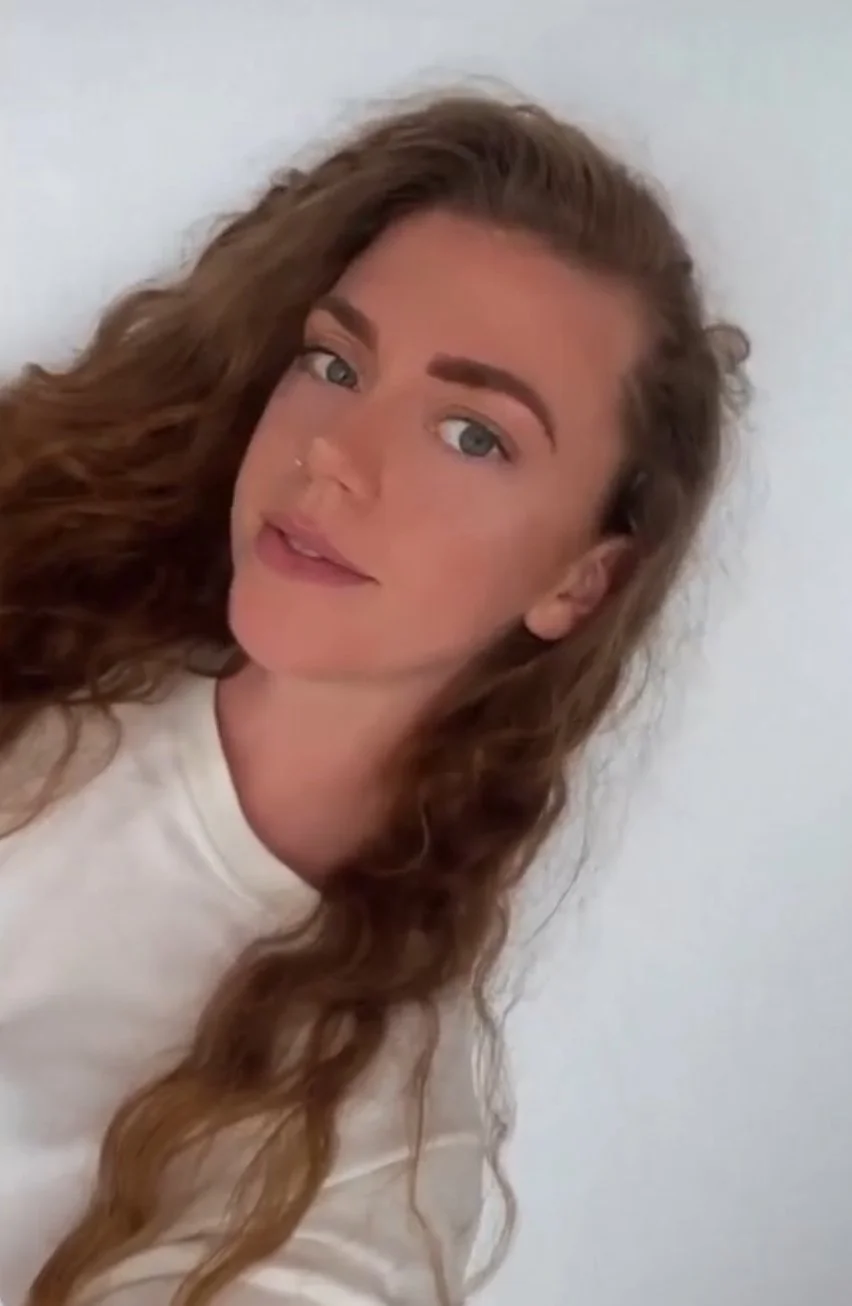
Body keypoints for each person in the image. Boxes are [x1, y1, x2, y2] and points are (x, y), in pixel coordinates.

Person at [0, 90, 749, 1306]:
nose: (334, 454)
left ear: (580, 578)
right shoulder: (41, 648)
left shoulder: (368, 1141)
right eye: (336, 362)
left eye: (472, 434)